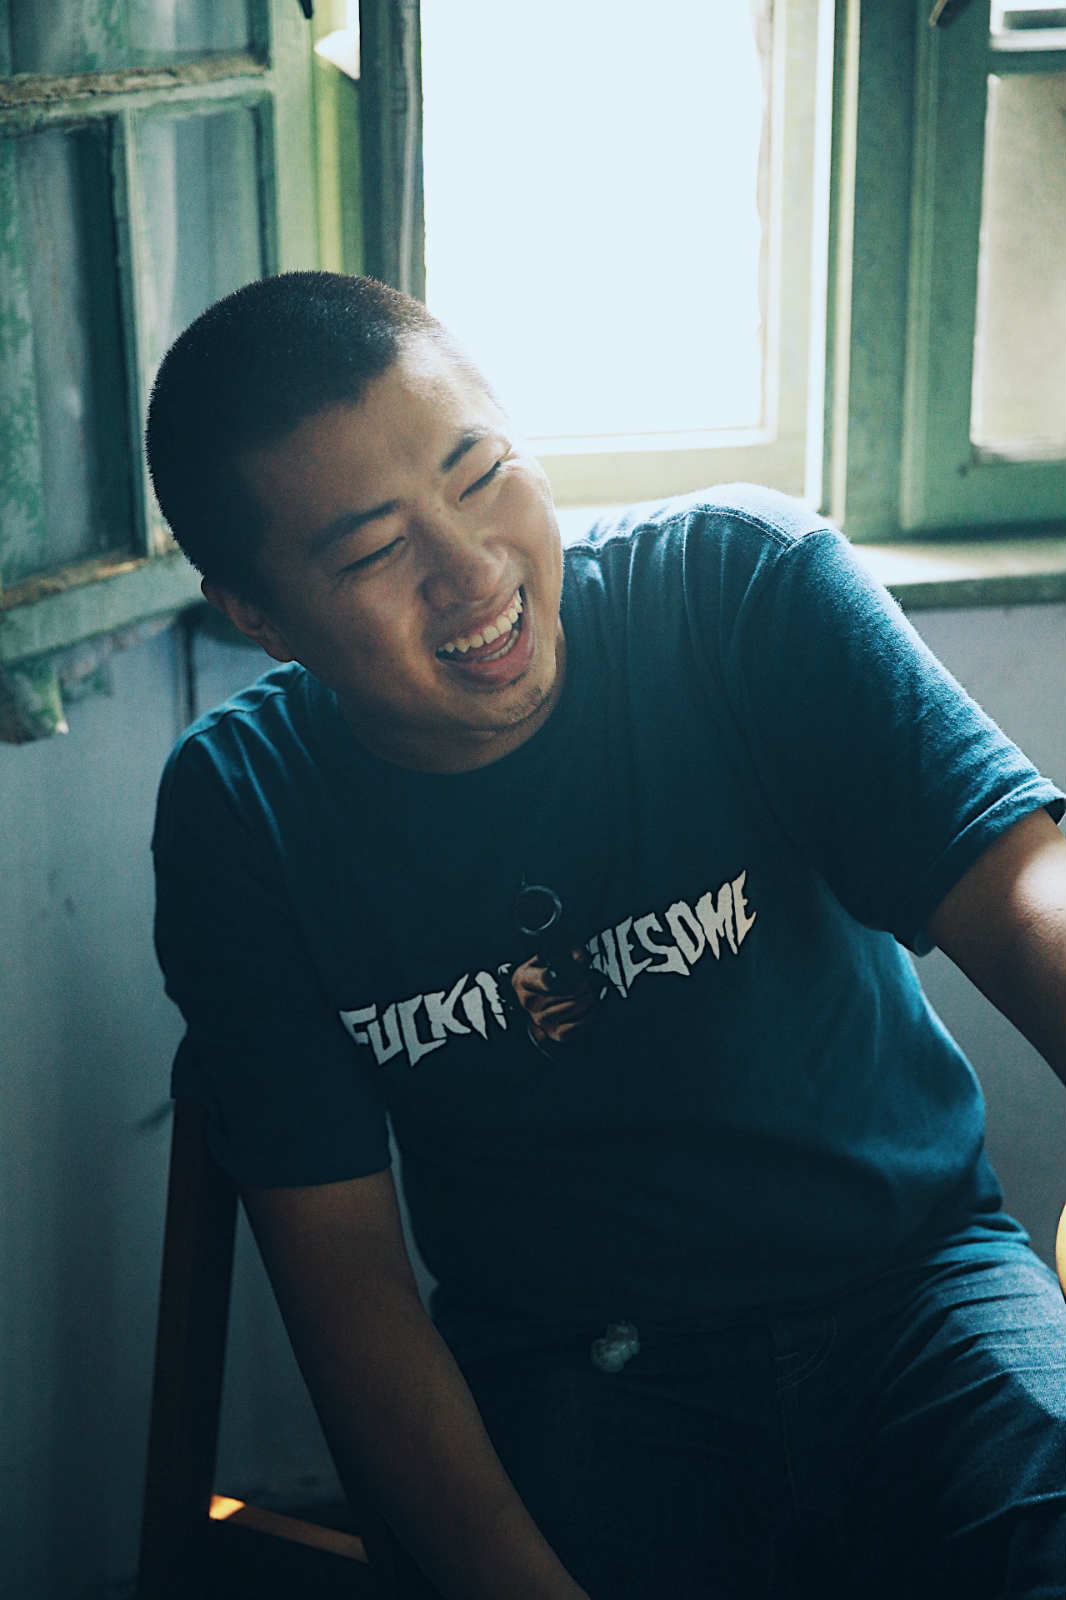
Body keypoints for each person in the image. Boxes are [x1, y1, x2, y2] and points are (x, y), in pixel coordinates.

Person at [147, 271, 1065, 1600]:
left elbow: (1026, 893)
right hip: (575, 1372)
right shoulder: (245, 812)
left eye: (481, 475)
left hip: (919, 1289)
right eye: (372, 552)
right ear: (259, 614)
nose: (474, 572)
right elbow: (349, 1289)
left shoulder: (735, 587)